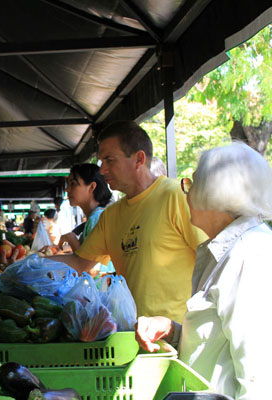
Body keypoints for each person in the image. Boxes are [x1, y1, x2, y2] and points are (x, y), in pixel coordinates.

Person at [135, 143, 272, 399]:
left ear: (216, 194)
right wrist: (174, 330)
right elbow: (215, 342)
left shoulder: (250, 255)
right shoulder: (222, 251)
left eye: (192, 184)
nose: (186, 193)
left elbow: (259, 380)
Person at [45, 121, 207, 322]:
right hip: (130, 334)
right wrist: (31, 263)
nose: (102, 170)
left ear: (139, 159)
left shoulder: (176, 196)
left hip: (177, 338)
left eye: (109, 160)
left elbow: (211, 259)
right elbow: (80, 262)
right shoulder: (111, 216)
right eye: (101, 162)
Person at [52, 163, 115, 275]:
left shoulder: (97, 219)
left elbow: (90, 269)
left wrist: (71, 239)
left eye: (73, 183)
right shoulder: (96, 217)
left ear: (92, 187)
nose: (67, 189)